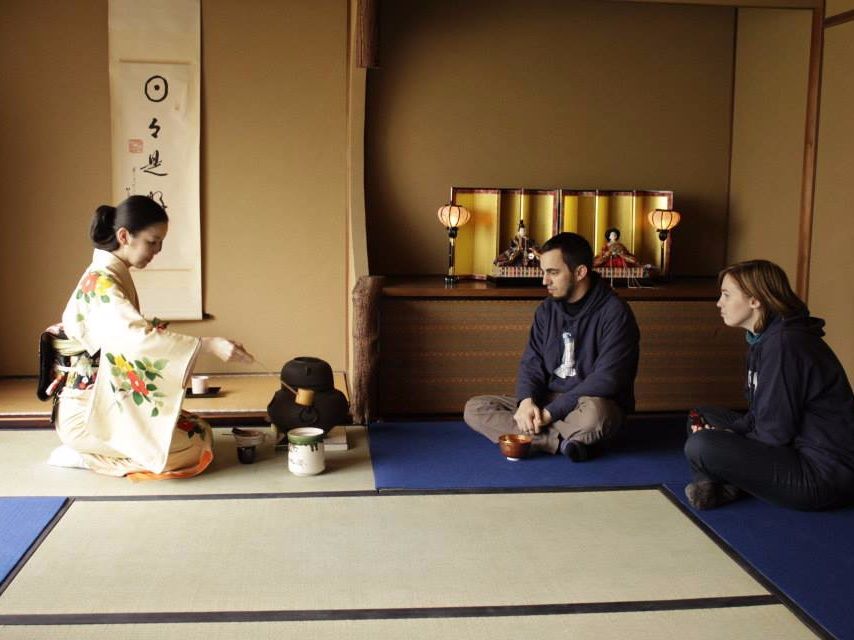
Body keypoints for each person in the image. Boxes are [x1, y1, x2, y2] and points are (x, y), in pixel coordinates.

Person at [42, 195, 253, 479]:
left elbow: (133, 340)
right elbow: (137, 339)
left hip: (104, 400)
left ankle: (101, 450)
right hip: (85, 413)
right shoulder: (101, 284)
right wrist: (209, 344)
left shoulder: (109, 275)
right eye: (152, 242)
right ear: (124, 236)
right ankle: (86, 457)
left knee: (200, 430)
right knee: (190, 451)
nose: (158, 250)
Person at [684, 259, 854, 510]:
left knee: (702, 445)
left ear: (755, 300)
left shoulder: (785, 344)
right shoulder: (763, 339)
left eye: (727, 295)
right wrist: (730, 434)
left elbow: (775, 431)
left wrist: (725, 440)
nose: (719, 303)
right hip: (791, 447)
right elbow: (758, 414)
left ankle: (720, 483)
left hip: (821, 473)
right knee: (702, 416)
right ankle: (724, 483)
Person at [465, 232, 640, 460]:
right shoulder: (546, 310)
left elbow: (608, 379)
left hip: (588, 403)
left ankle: (541, 436)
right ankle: (565, 443)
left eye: (553, 273)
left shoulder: (615, 313)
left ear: (580, 273)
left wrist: (549, 415)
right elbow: (532, 361)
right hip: (547, 398)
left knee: (597, 417)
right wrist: (526, 402)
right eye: (543, 272)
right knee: (475, 408)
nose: (544, 281)